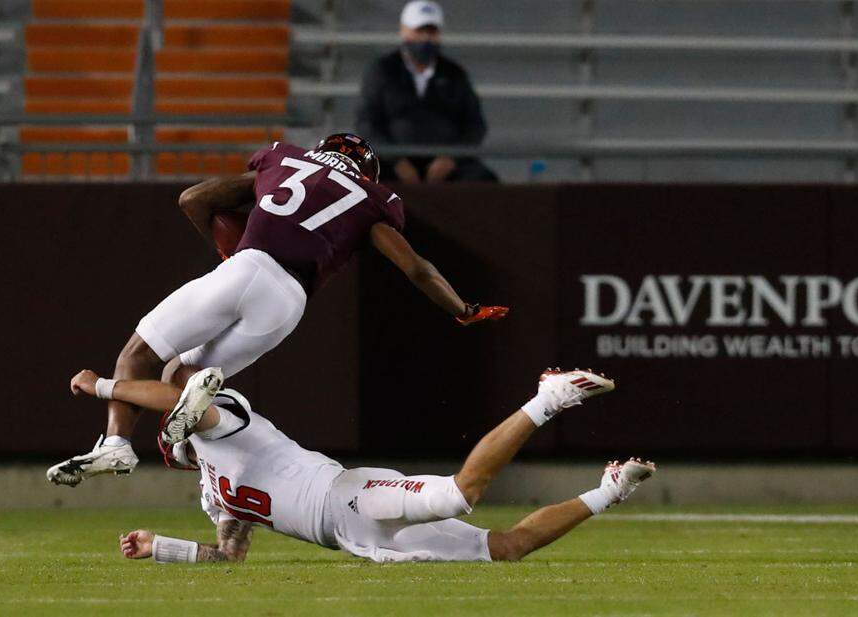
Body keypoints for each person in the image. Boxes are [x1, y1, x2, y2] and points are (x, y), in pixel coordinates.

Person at [47, 133, 509, 487]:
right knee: (183, 377)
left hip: (252, 265)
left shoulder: (285, 158)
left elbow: (193, 198)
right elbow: (419, 269)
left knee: (139, 354)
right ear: (366, 171)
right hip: (289, 303)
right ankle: (187, 442)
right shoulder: (373, 199)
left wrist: (229, 248)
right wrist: (462, 308)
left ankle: (117, 444)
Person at [65, 364, 656, 563]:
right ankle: (609, 489)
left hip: (347, 496)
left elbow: (179, 400)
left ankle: (548, 396)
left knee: (459, 494)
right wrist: (160, 547)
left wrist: (101, 388)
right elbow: (229, 556)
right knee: (505, 549)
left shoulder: (224, 422)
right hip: (354, 540)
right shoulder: (213, 489)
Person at [356, 0, 497, 183]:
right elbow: (367, 123)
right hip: (391, 163)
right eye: (419, 31)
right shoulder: (383, 71)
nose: (425, 39)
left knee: (482, 180)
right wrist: (396, 160)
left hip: (448, 165)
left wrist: (451, 158)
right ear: (404, 31)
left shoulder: (454, 74)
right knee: (366, 180)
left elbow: (474, 125)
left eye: (431, 32)